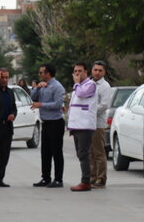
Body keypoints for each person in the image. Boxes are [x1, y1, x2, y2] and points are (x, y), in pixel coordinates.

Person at [30, 63, 67, 187]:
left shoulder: (57, 87)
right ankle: (45, 178)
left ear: (48, 73)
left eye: (41, 72)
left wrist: (41, 105)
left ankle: (58, 179)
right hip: (45, 122)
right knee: (45, 152)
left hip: (55, 122)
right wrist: (37, 88)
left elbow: (58, 104)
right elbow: (33, 97)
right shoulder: (43, 86)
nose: (39, 74)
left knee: (56, 152)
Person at [67, 61, 98, 192]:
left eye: (80, 71)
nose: (77, 74)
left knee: (83, 154)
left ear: (86, 72)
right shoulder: (78, 86)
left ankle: (86, 182)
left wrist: (76, 83)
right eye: (75, 71)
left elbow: (81, 94)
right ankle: (85, 180)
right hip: (77, 126)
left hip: (85, 126)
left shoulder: (90, 85)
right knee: (80, 154)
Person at [89, 60, 111, 189]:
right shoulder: (89, 83)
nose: (97, 72)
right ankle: (92, 177)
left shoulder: (105, 86)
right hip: (88, 123)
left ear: (104, 72)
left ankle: (101, 179)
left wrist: (89, 111)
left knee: (98, 152)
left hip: (98, 123)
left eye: (100, 70)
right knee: (90, 152)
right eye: (95, 70)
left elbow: (104, 105)